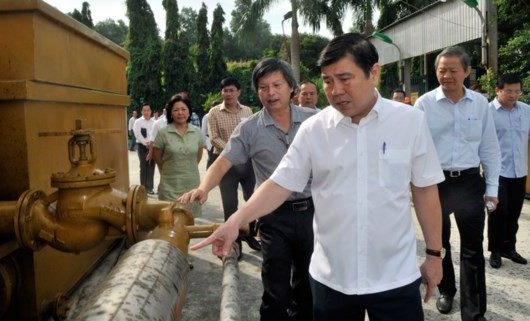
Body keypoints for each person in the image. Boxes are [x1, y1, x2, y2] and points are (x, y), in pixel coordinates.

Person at [190, 33, 444, 321]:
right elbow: (279, 182)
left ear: (373, 72)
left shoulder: (409, 121)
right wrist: (235, 221)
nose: (334, 90)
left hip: (394, 275)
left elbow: (425, 190)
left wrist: (434, 255)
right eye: (327, 80)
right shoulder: (315, 128)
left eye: (344, 78)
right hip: (332, 279)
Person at [180, 58, 317, 320]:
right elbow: (222, 162)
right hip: (273, 216)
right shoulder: (250, 128)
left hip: (314, 212)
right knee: (276, 286)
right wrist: (203, 188)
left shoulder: (315, 120)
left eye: (277, 84)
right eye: (263, 87)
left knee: (308, 282)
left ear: (291, 87)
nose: (270, 92)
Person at [415, 46, 500, 321]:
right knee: (438, 244)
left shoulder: (480, 103)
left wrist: (493, 189)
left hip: (469, 181)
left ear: (466, 71)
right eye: (442, 70)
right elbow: (414, 148)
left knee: (473, 248)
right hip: (434, 183)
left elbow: (489, 148)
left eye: (453, 70)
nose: (447, 76)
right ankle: (446, 290)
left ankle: (474, 312)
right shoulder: (424, 105)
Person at [208, 77, 260, 252]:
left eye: (231, 90)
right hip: (225, 166)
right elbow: (214, 138)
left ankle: (250, 235)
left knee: (252, 201)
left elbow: (253, 134)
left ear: (239, 92)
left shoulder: (248, 111)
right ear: (221, 92)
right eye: (225, 90)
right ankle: (233, 242)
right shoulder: (214, 112)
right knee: (229, 205)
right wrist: (233, 153)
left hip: (247, 165)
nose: (228, 94)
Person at [488, 73, 529, 268]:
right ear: (498, 90)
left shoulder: (526, 111)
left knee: (513, 213)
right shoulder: (488, 112)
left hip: (519, 171)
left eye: (517, 91)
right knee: (496, 213)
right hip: (497, 173)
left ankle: (508, 248)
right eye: (508, 91)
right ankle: (495, 250)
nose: (513, 95)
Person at [153, 94, 205, 216]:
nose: (180, 113)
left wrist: (186, 167)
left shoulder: (197, 132)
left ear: (189, 112)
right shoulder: (163, 133)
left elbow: (197, 157)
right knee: (169, 221)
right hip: (169, 186)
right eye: (176, 110)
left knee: (189, 221)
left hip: (192, 185)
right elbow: (158, 158)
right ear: (170, 113)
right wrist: (169, 170)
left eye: (183, 109)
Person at [133, 104, 156, 195]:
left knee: (151, 166)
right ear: (142, 112)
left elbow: (155, 134)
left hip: (152, 146)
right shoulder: (138, 122)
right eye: (144, 110)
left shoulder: (154, 122)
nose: (146, 112)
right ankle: (143, 188)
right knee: (143, 166)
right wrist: (145, 143)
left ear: (151, 111)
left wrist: (151, 144)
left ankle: (150, 187)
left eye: (148, 110)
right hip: (142, 146)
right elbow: (137, 133)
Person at [202, 100, 222, 169]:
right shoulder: (207, 116)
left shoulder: (222, 115)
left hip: (220, 139)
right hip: (209, 139)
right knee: (211, 158)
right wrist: (203, 142)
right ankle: (208, 174)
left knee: (220, 159)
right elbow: (203, 129)